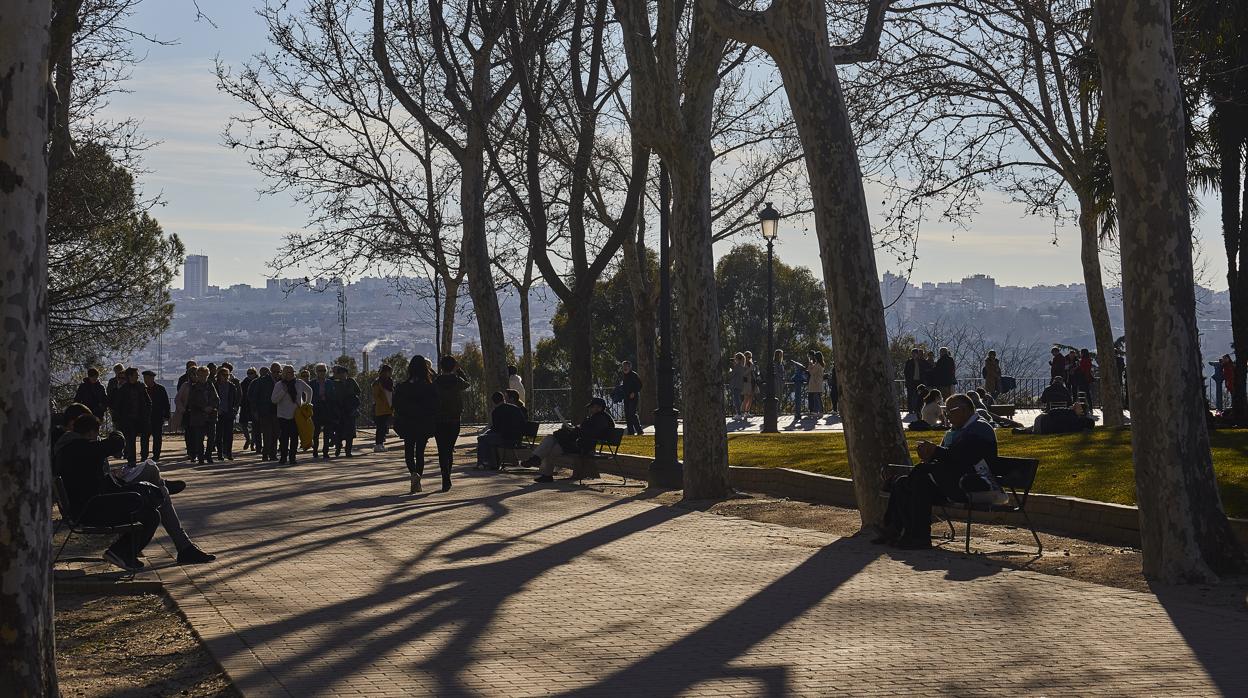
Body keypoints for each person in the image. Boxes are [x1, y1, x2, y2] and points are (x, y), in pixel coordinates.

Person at [55, 414, 215, 569]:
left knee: (154, 493)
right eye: (96, 435)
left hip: (92, 504)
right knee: (151, 513)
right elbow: (116, 443)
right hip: (93, 509)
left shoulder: (69, 448)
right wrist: (117, 432)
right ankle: (121, 551)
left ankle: (161, 492)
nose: (97, 439)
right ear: (90, 433)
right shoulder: (80, 448)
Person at [876, 393, 998, 549]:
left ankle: (915, 535)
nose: (947, 416)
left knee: (919, 475)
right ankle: (900, 531)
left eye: (950, 411)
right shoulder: (956, 431)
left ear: (965, 410)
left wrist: (935, 452)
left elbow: (962, 458)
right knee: (908, 483)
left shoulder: (980, 429)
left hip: (970, 484)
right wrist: (930, 454)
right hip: (953, 480)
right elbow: (948, 457)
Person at [527, 397, 616, 482]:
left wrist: (576, 430)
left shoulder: (600, 419)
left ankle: (539, 463)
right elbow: (586, 430)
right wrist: (576, 429)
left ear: (599, 408)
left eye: (592, 407)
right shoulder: (598, 418)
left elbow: (591, 433)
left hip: (583, 447)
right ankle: (540, 465)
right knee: (552, 445)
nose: (590, 410)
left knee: (551, 441)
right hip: (581, 444)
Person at [392, 355, 437, 493]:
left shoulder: (402, 387)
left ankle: (413, 474)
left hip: (408, 423)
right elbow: (434, 406)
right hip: (423, 424)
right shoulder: (429, 387)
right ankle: (418, 477)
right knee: (420, 453)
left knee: (409, 452)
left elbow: (396, 406)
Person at [431, 355, 470, 491]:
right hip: (454, 419)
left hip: (439, 420)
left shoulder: (436, 382)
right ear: (453, 366)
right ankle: (448, 475)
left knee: (442, 450)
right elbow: (467, 383)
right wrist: (459, 371)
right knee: (449, 449)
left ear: (441, 367)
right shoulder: (457, 381)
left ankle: (444, 476)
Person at [271, 364, 312, 465]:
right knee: (284, 438)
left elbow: (309, 391)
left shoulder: (299, 383)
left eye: (293, 372)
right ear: (284, 373)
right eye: (289, 372)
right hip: (283, 415)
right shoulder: (279, 385)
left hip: (296, 415)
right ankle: (283, 457)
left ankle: (292, 457)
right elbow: (274, 400)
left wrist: (306, 404)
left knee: (294, 437)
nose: (292, 374)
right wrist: (283, 392)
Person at [111, 367, 152, 466]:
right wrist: (120, 418)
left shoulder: (141, 387)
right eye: (135, 375)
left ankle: (144, 457)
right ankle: (132, 459)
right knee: (130, 440)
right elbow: (118, 405)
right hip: (128, 419)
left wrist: (147, 413)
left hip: (141, 418)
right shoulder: (123, 389)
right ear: (130, 376)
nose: (137, 377)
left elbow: (148, 401)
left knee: (145, 438)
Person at [477, 391, 527, 470]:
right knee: (487, 439)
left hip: (505, 438)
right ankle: (490, 463)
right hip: (518, 437)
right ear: (503, 399)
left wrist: (486, 433)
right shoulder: (515, 408)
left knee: (482, 439)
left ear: (493, 402)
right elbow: (523, 423)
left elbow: (495, 429)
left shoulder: (496, 411)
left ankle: (483, 462)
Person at [183, 367, 220, 464]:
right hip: (198, 417)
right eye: (201, 376)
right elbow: (191, 402)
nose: (203, 378)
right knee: (199, 439)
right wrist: (203, 408)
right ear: (198, 376)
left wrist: (211, 407)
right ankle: (200, 457)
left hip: (211, 416)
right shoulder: (194, 387)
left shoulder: (211, 385)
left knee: (212, 437)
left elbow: (216, 399)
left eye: (205, 376)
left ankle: (208, 455)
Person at [248, 364, 279, 460]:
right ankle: (266, 454)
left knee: (276, 434)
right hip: (265, 411)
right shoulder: (262, 381)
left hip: (277, 411)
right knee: (267, 434)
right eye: (274, 371)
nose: (276, 374)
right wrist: (255, 411)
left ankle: (273, 454)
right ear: (270, 371)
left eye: (278, 372)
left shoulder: (281, 381)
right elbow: (254, 397)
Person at [330, 364, 361, 457]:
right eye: (340, 374)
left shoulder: (351, 381)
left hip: (350, 409)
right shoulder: (334, 383)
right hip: (340, 410)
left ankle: (348, 451)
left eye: (344, 373)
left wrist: (352, 400)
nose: (343, 375)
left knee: (350, 433)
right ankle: (338, 448)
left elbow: (358, 391)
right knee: (339, 431)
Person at [140, 370, 170, 461]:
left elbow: (166, 403)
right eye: (145, 378)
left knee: (157, 438)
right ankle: (144, 455)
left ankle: (156, 455)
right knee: (144, 438)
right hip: (145, 418)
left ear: (152, 378)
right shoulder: (141, 389)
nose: (146, 380)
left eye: (148, 378)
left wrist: (166, 415)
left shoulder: (160, 389)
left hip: (157, 417)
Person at [309, 363, 336, 458]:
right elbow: (309, 396)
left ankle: (325, 451)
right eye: (320, 370)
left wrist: (326, 398)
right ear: (316, 372)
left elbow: (333, 396)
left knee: (327, 432)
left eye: (324, 370)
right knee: (315, 432)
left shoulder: (330, 383)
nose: (322, 373)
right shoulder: (312, 383)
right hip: (316, 410)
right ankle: (315, 450)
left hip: (327, 409)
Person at [214, 367, 241, 461]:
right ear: (219, 376)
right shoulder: (215, 385)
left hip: (229, 412)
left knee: (229, 434)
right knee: (219, 434)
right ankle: (220, 453)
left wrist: (234, 409)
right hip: (219, 413)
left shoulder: (232, 386)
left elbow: (236, 399)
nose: (226, 377)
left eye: (227, 375)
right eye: (224, 375)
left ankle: (228, 452)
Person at [372, 364, 395, 453]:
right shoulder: (377, 383)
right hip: (381, 408)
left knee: (384, 427)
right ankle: (378, 444)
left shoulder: (389, 382)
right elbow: (376, 396)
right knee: (380, 427)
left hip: (389, 408)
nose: (390, 374)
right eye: (389, 372)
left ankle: (381, 444)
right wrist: (382, 402)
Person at [617, 360, 643, 435]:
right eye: (623, 366)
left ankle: (639, 430)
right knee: (627, 415)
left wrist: (634, 392)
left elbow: (640, 385)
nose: (625, 368)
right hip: (626, 397)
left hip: (633, 397)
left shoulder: (634, 375)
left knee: (632, 414)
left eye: (626, 366)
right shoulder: (623, 376)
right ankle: (630, 432)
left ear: (630, 367)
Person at [239, 367, 257, 450]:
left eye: (251, 373)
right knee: (243, 424)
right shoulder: (244, 383)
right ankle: (248, 439)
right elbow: (240, 394)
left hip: (254, 406)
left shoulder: (257, 382)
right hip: (245, 406)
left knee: (255, 425)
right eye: (248, 373)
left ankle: (252, 442)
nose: (249, 375)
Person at [903, 348, 924, 415]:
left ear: (917, 354)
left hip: (919, 382)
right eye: (913, 354)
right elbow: (905, 372)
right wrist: (908, 380)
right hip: (911, 382)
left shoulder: (920, 362)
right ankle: (910, 409)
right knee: (910, 396)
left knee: (918, 396)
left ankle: (917, 409)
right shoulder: (909, 362)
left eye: (915, 353)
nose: (914, 355)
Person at [728, 353, 748, 420]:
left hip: (735, 384)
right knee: (738, 399)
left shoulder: (737, 366)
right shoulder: (742, 366)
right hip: (740, 384)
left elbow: (731, 375)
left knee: (736, 400)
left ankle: (738, 414)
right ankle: (740, 413)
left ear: (737, 359)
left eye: (735, 358)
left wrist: (730, 370)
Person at [806, 351, 825, 417]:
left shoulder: (818, 365)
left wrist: (810, 364)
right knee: (818, 398)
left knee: (817, 398)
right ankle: (819, 411)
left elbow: (811, 372)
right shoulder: (820, 364)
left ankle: (819, 411)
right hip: (817, 383)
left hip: (816, 383)